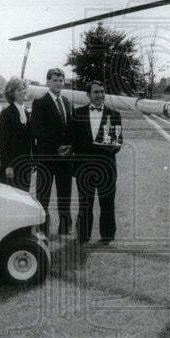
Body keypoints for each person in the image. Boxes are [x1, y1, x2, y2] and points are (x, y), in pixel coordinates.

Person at [71, 80, 122, 245]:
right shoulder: (77, 114)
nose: (100, 95)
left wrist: (113, 147)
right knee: (85, 203)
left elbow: (118, 140)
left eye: (102, 92)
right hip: (84, 167)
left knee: (107, 202)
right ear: (88, 95)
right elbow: (72, 141)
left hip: (106, 166)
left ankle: (108, 236)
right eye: (96, 92)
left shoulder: (114, 114)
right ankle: (83, 236)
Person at [30, 67, 74, 235]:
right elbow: (37, 130)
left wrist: (69, 146)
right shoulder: (39, 102)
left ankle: (65, 227)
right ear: (48, 82)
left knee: (65, 195)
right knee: (44, 196)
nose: (58, 83)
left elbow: (70, 128)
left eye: (60, 80)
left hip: (65, 159)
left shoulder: (67, 102)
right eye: (54, 80)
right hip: (47, 157)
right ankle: (42, 230)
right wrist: (57, 147)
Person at [0, 76, 33, 192]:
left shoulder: (28, 112)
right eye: (18, 90)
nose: (22, 91)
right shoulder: (6, 113)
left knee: (24, 196)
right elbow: (2, 142)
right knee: (10, 197)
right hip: (11, 164)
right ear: (11, 93)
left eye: (23, 88)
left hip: (25, 164)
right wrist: (7, 166)